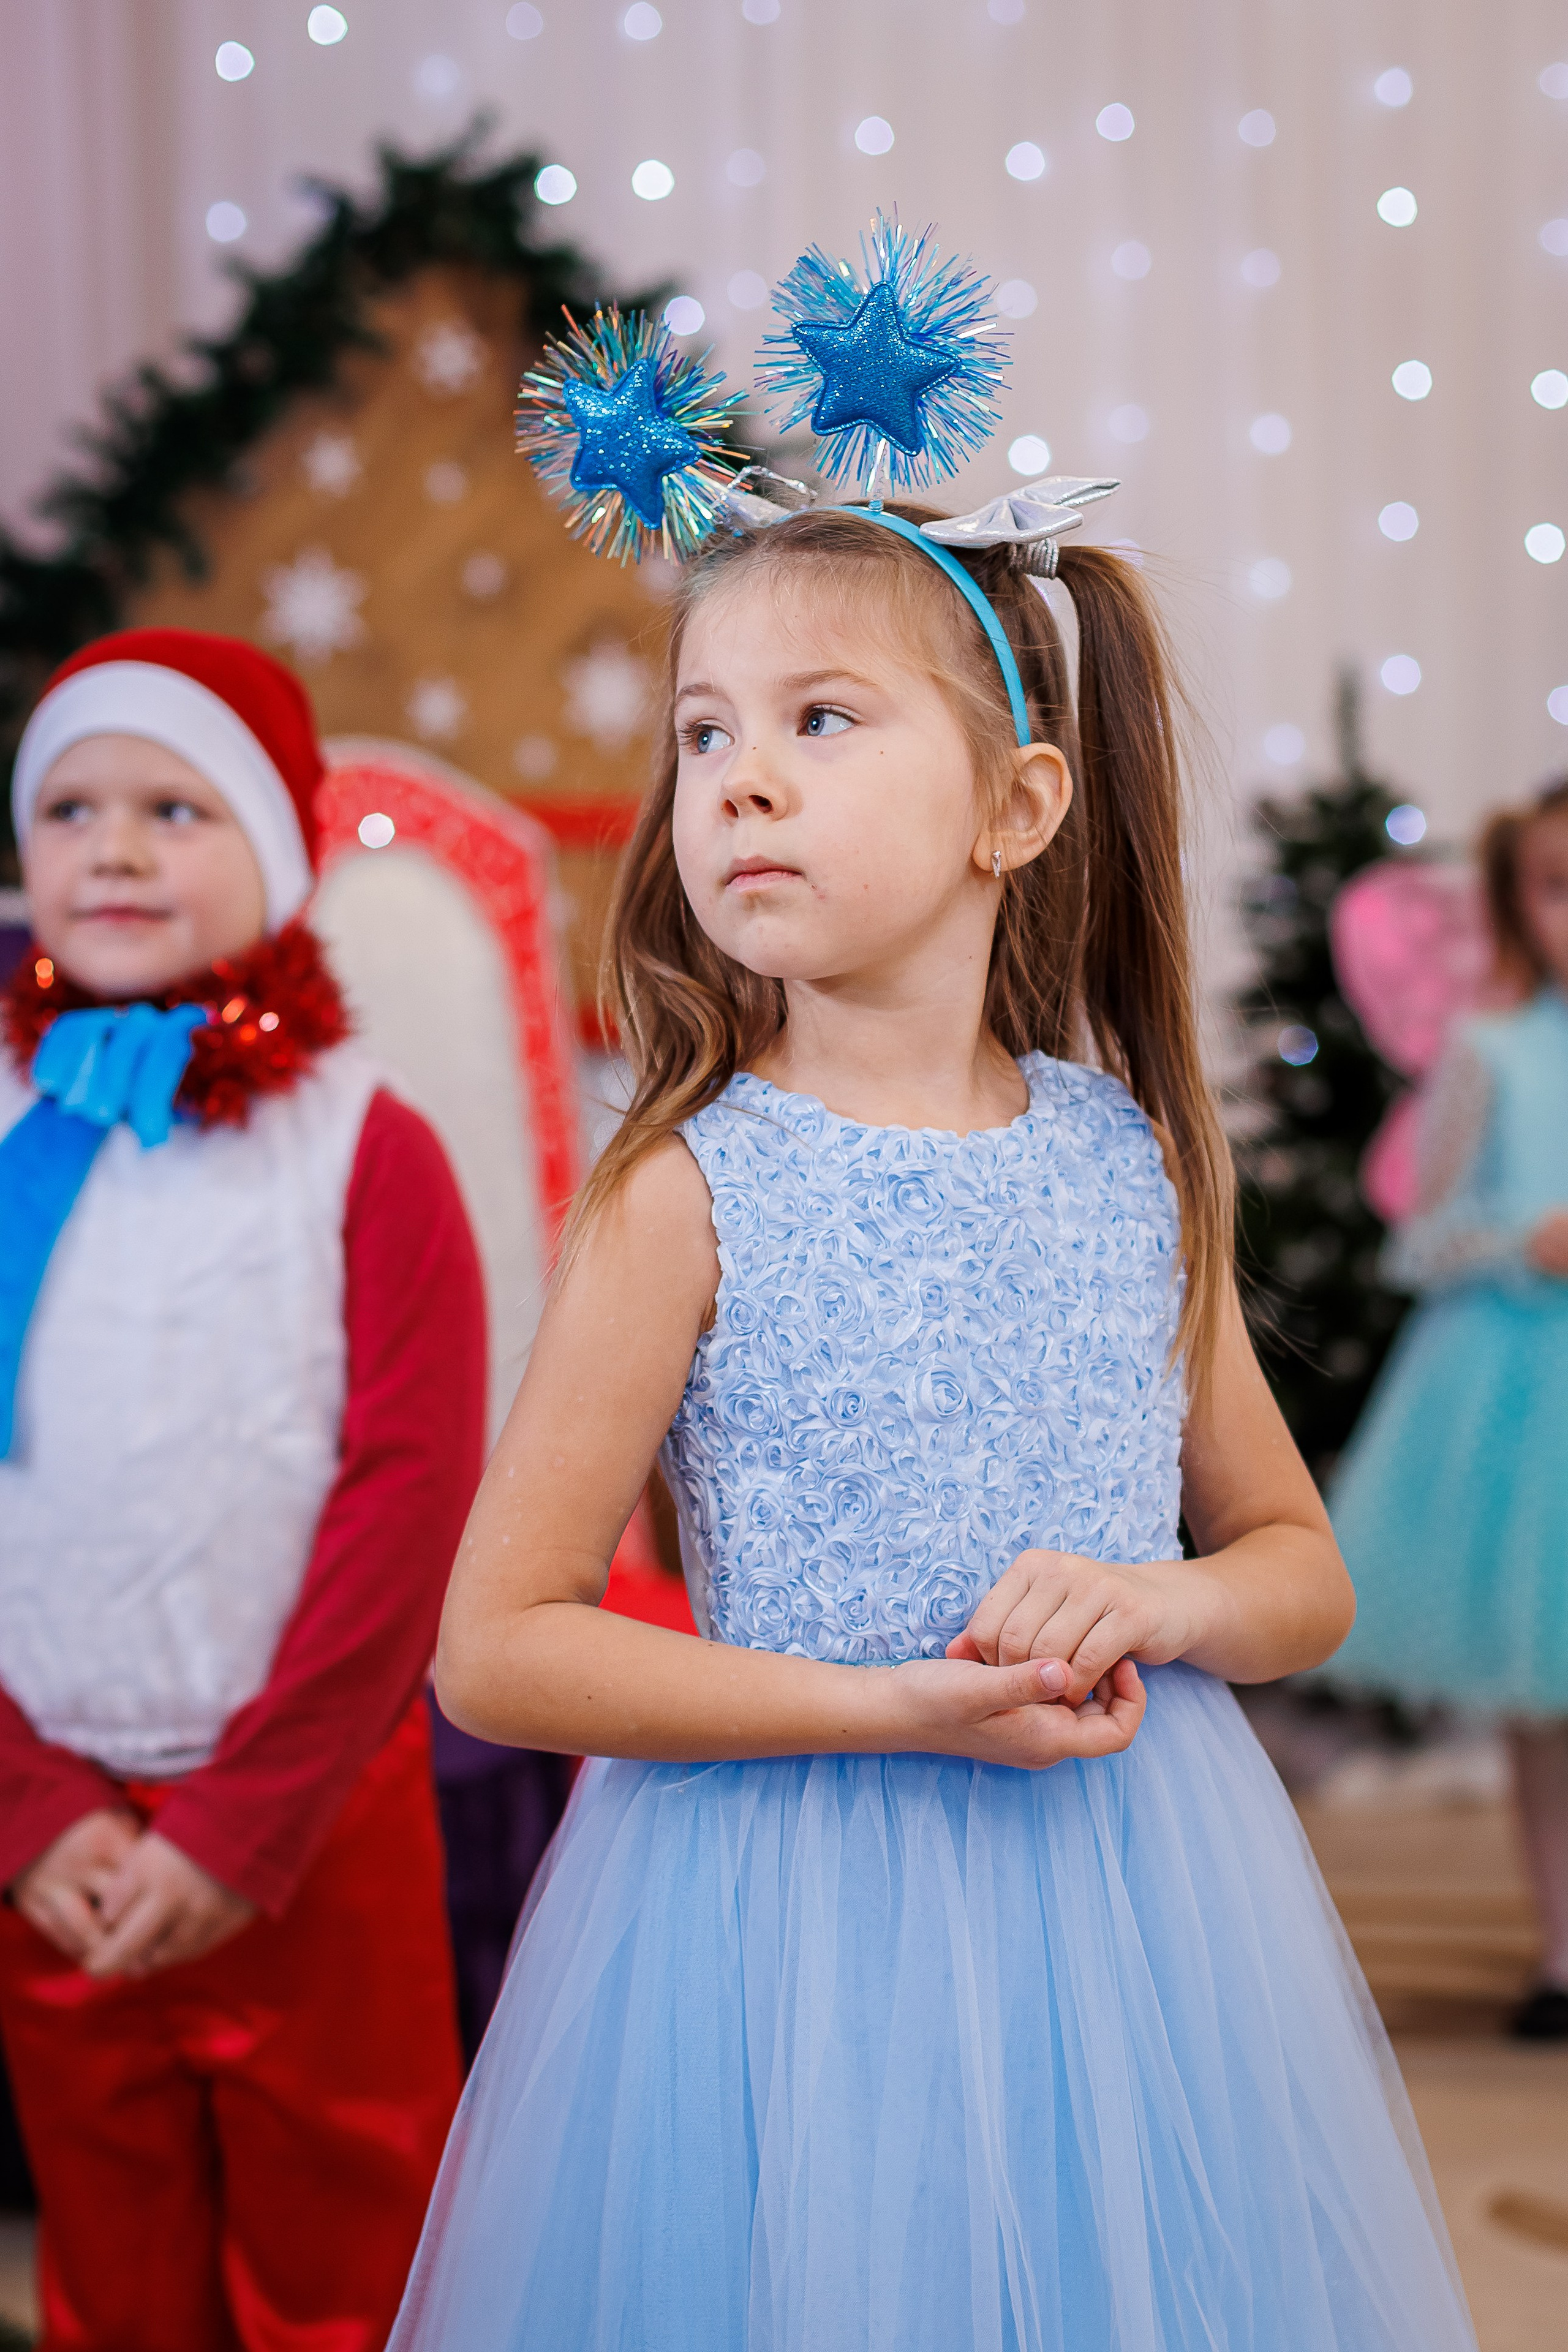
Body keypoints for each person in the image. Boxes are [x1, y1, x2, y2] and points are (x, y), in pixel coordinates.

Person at [389, 505, 1477, 2351]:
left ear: (1015, 807)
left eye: (819, 719)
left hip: (1131, 1915)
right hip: (783, 1924)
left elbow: (1299, 1577)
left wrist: (1162, 1599)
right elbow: (497, 1652)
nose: (737, 780)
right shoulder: (681, 1195)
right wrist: (893, 1706)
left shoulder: (1133, 1165)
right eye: (704, 731)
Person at [0, 628, 485, 2352]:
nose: (115, 851)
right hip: (56, 1834)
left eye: (174, 808)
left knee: (351, 2263)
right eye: (71, 808)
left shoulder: (368, 1145)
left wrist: (245, 1820)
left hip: (310, 1824)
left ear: (276, 851)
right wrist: (30, 1807)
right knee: (115, 2271)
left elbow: (409, 1497)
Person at [1329, 778, 1568, 2043]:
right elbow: (1417, 1237)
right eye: (1557, 887)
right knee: (1545, 1705)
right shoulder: (1491, 1050)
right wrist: (1523, 1239)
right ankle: (1561, 1953)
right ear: (1517, 905)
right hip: (1522, 1399)